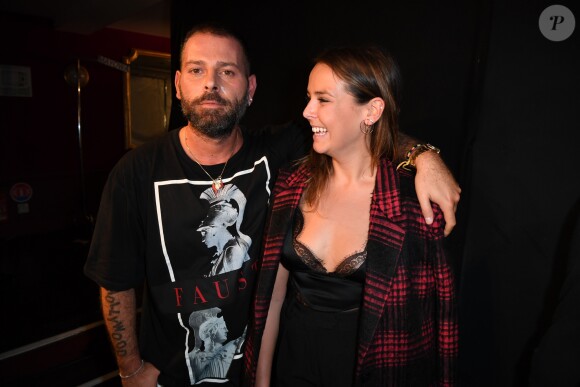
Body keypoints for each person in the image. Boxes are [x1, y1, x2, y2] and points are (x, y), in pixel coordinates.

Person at [84, 22, 460, 386]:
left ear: (250, 89)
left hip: (252, 366)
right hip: (174, 373)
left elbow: (363, 131)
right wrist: (130, 369)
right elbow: (114, 281)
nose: (211, 83)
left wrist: (424, 155)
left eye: (227, 72)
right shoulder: (135, 172)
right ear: (178, 84)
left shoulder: (277, 154)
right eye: (197, 70)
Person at [243, 46, 458, 386]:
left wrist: (425, 156)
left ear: (372, 111)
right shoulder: (291, 184)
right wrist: (261, 380)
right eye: (308, 97)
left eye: (323, 100)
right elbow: (271, 296)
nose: (307, 111)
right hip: (292, 367)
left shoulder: (410, 205)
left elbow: (434, 324)